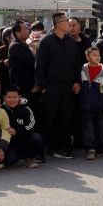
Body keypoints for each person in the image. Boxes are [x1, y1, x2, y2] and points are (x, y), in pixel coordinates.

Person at [35, 12, 82, 160]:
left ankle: (63, 147)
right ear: (57, 24)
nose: (69, 23)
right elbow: (40, 65)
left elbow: (77, 64)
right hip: (51, 86)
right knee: (49, 118)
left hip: (68, 86)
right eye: (66, 21)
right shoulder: (46, 42)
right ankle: (46, 148)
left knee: (66, 118)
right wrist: (43, 86)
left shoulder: (71, 42)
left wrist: (76, 82)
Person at [78, 47, 103, 160]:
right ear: (87, 57)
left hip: (100, 106)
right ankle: (90, 149)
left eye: (98, 55)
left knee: (101, 128)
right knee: (88, 128)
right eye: (94, 55)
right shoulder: (82, 71)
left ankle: (101, 149)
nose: (97, 57)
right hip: (86, 105)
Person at [2, 87, 46, 166]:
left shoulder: (26, 108)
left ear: (19, 97)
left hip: (25, 139)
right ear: (4, 98)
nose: (12, 100)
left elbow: (32, 126)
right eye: (9, 97)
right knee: (10, 160)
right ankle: (15, 155)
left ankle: (30, 157)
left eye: (15, 97)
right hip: (10, 142)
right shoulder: (0, 110)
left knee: (36, 137)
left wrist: (17, 131)